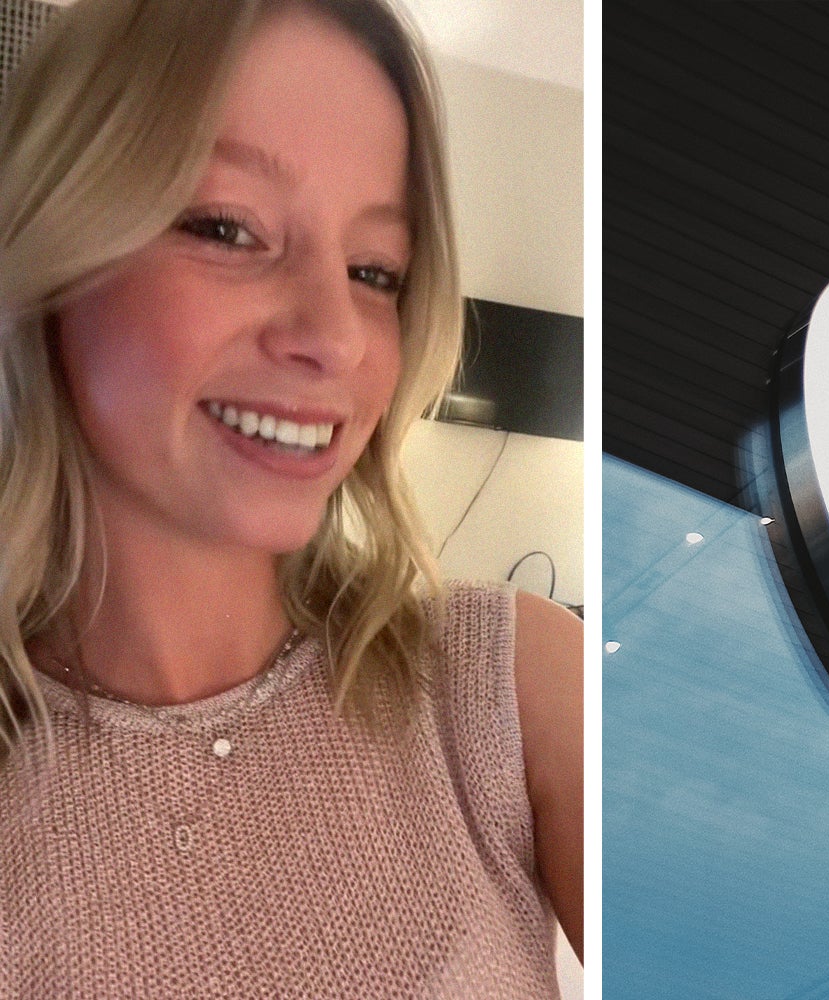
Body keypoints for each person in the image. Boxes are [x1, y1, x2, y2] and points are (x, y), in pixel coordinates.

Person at [0, 1, 582, 993]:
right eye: (228, 228)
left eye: (373, 270)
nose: (336, 337)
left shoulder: (508, 690)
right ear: (54, 247)